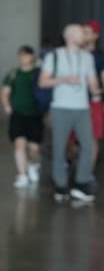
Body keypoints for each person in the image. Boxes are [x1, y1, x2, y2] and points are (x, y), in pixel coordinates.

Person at [38, 24, 102, 203]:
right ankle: (60, 185)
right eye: (82, 33)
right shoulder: (54, 56)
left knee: (88, 145)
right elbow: (43, 82)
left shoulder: (87, 57)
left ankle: (82, 182)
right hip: (61, 108)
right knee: (59, 147)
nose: (85, 36)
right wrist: (64, 79)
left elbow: (92, 82)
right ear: (71, 36)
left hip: (83, 109)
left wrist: (97, 90)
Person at [0, 45, 44, 188]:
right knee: (19, 145)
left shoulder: (39, 73)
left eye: (26, 55)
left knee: (34, 148)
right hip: (18, 114)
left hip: (35, 115)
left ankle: (31, 165)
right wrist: (7, 106)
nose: (23, 58)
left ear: (32, 57)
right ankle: (22, 174)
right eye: (21, 55)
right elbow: (4, 92)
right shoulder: (13, 74)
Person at [82, 20, 104, 168]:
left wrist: (98, 93)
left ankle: (86, 173)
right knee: (68, 140)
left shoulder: (99, 57)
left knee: (93, 138)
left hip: (92, 102)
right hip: (72, 103)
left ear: (96, 36)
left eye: (87, 32)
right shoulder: (73, 53)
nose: (83, 35)